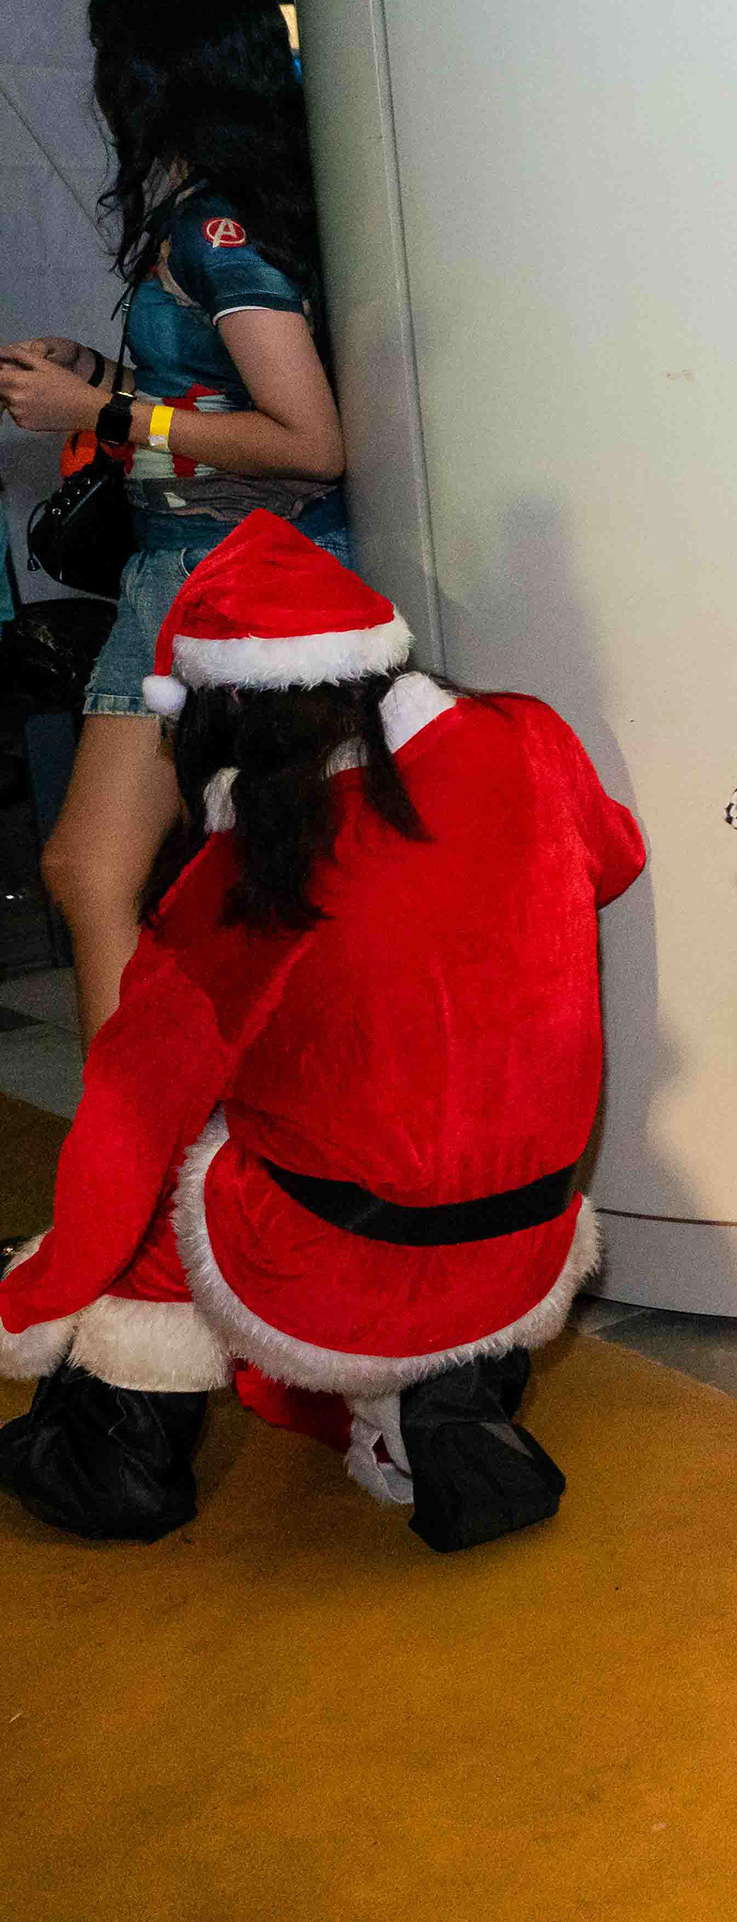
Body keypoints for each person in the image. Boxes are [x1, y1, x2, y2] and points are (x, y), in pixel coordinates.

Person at [0, 515, 640, 1552]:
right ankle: (440, 1408)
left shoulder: (244, 879)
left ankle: (113, 1462)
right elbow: (615, 857)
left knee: (163, 1194)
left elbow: (127, 1126)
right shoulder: (529, 736)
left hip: (343, 1274)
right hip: (528, 1246)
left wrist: (37, 1293)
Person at [0, 0, 348, 1042]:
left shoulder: (216, 228)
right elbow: (221, 399)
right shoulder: (214, 213)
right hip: (195, 573)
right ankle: (153, 1127)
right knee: (117, 869)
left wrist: (103, 412)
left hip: (233, 579)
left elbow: (310, 442)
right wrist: (101, 380)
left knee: (101, 868)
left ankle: (136, 1134)